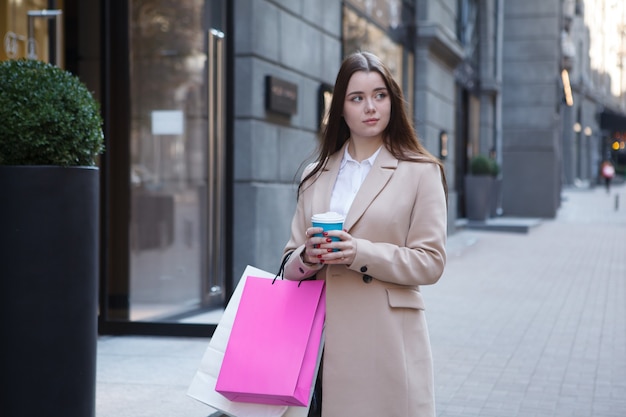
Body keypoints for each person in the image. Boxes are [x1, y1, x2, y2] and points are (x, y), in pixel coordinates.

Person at [281, 51, 448, 417]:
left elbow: (431, 263)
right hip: (318, 345)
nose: (370, 107)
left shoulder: (420, 171)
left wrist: (359, 253)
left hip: (385, 341)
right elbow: (286, 263)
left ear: (392, 101)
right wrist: (307, 257)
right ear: (340, 108)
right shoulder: (316, 173)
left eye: (380, 95)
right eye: (357, 98)